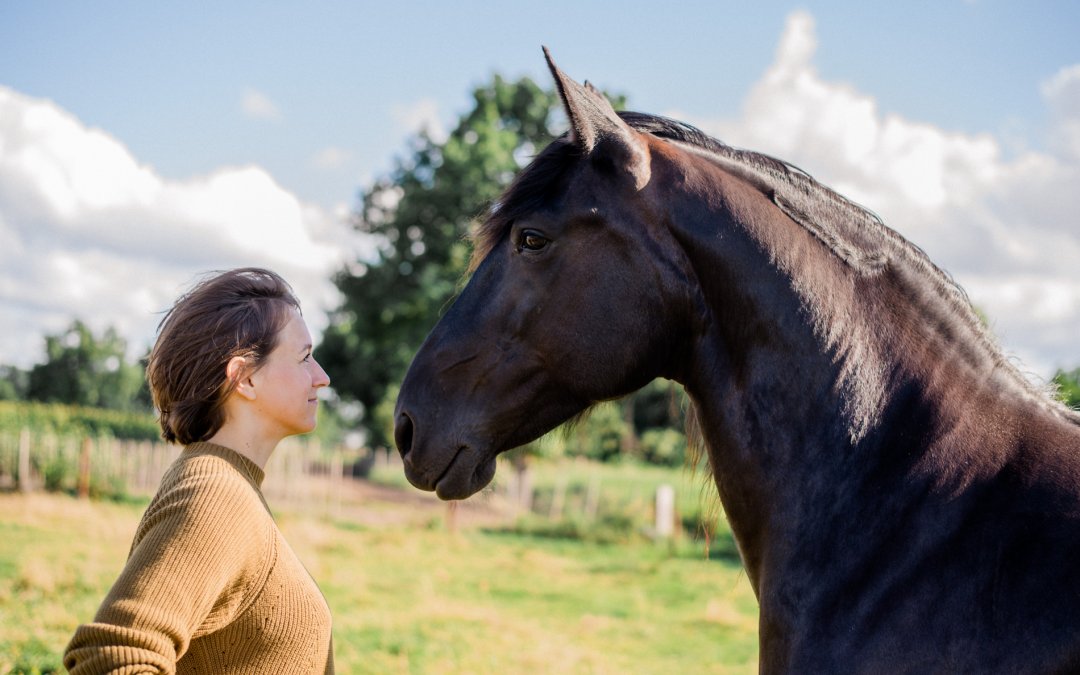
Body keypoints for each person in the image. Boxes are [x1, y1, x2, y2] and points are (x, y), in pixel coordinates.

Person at [64, 267, 334, 674]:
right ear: (244, 378)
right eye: (304, 357)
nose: (322, 378)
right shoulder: (215, 493)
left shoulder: (230, 485)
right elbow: (111, 654)